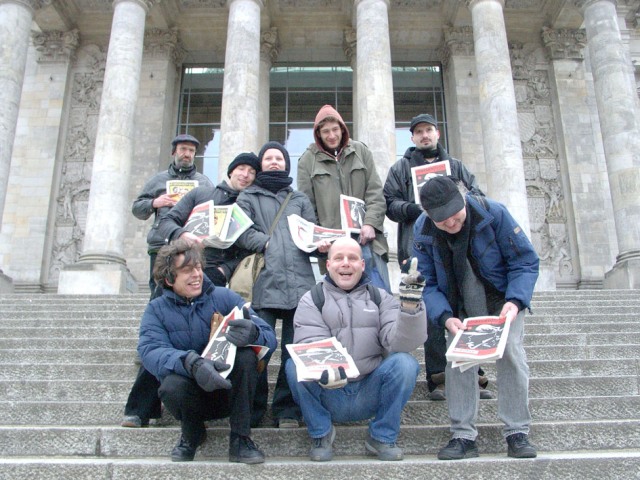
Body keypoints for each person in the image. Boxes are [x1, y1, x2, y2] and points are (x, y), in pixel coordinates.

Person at [121, 152, 260, 429]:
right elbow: (168, 221)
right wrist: (181, 235)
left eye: (251, 172)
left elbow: (246, 249)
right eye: (241, 169)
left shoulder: (248, 207)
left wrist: (226, 270)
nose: (245, 175)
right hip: (180, 272)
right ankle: (141, 408)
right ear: (231, 171)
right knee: (165, 339)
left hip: (215, 278)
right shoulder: (201, 194)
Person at [412, 176, 539, 460]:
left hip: (502, 299)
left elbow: (524, 261)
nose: (451, 224)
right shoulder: (422, 230)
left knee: (511, 354)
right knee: (459, 361)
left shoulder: (494, 213)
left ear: (463, 202)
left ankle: (517, 432)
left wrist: (516, 301)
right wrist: (444, 316)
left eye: (455, 216)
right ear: (430, 217)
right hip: (458, 306)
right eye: (442, 221)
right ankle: (462, 435)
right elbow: (426, 282)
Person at [286, 237, 427, 462]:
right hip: (329, 391)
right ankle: (321, 433)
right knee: (294, 366)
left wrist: (409, 308)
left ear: (362, 264)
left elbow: (400, 344)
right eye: (338, 258)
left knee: (406, 363)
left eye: (352, 258)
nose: (345, 263)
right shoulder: (312, 299)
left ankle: (382, 436)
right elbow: (310, 342)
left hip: (369, 390)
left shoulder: (381, 297)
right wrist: (327, 368)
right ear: (328, 264)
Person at [137, 239, 277, 463]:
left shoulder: (225, 297)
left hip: (229, 391)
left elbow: (269, 337)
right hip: (190, 395)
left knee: (247, 357)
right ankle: (191, 434)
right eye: (186, 270)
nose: (196, 275)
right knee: (171, 384)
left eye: (199, 268)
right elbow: (150, 351)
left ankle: (241, 439)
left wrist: (254, 334)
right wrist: (190, 363)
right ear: (169, 279)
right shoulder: (156, 309)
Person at [383, 113, 489, 401]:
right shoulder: (401, 168)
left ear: (437, 133)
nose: (425, 135)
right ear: (413, 138)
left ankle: (474, 373)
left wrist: (451, 205)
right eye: (419, 132)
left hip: (461, 251)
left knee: (466, 308)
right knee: (430, 314)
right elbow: (389, 204)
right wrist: (422, 210)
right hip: (418, 250)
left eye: (429, 130)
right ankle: (438, 377)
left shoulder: (455, 166)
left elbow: (478, 195)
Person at [235, 141, 321, 429]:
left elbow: (310, 232)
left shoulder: (298, 199)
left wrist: (317, 242)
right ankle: (256, 410)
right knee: (260, 348)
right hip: (263, 282)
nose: (274, 162)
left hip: (299, 284)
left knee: (293, 350)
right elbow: (240, 230)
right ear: (262, 164)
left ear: (286, 164)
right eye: (269, 158)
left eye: (279, 158)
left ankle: (286, 409)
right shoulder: (247, 196)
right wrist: (266, 242)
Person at [297, 105, 391, 293]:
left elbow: (375, 193)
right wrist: (317, 240)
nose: (331, 135)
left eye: (335, 129)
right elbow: (307, 207)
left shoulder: (361, 151)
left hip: (368, 242)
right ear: (318, 134)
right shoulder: (307, 161)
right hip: (334, 247)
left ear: (342, 129)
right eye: (325, 132)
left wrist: (371, 223)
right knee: (342, 308)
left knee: (381, 302)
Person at [132, 133, 213, 299]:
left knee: (192, 288)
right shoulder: (158, 180)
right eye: (183, 149)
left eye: (191, 150)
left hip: (191, 242)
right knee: (159, 290)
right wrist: (155, 202)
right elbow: (137, 208)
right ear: (173, 153)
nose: (187, 154)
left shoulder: (204, 182)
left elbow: (214, 210)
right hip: (161, 242)